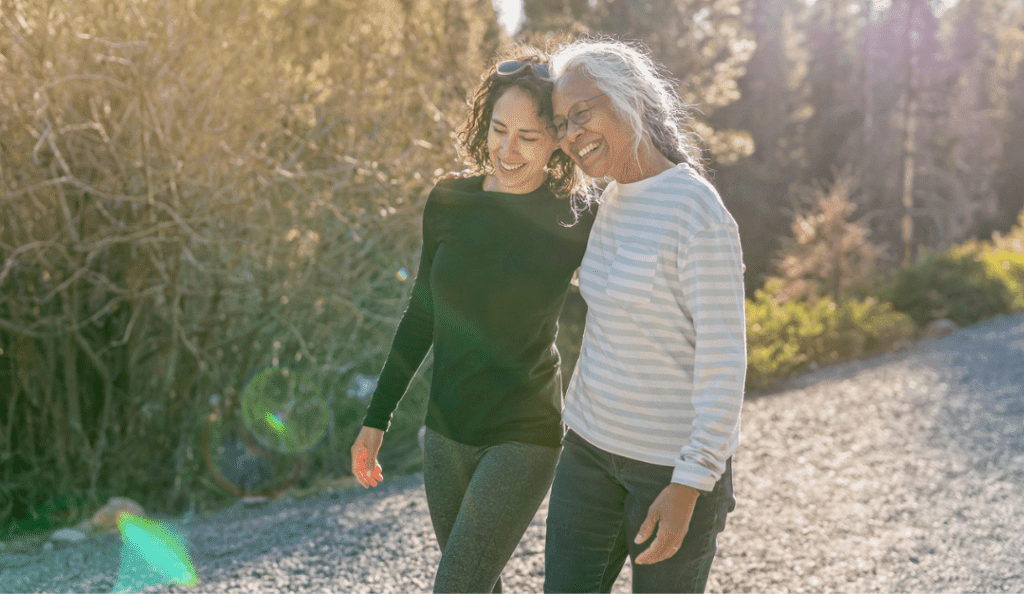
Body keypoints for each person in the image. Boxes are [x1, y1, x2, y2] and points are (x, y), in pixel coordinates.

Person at [348, 49, 594, 594]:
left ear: (557, 139)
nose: (507, 150)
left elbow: (628, 293)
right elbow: (422, 314)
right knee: (480, 585)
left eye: (528, 137)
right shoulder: (449, 199)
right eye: (498, 129)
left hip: (524, 432)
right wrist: (376, 418)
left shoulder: (575, 217)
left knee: (455, 586)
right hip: (445, 433)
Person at [542, 39, 746, 594]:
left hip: (668, 471)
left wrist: (691, 483)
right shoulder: (606, 200)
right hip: (586, 452)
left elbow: (724, 360)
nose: (570, 134)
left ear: (630, 98)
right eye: (561, 123)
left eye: (581, 113)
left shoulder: (695, 210)